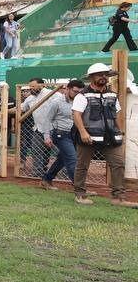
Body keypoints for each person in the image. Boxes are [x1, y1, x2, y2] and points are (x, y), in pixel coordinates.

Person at [71, 62, 137, 208]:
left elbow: (117, 115)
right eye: (100, 74)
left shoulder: (112, 95)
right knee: (82, 166)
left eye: (105, 74)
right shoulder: (83, 95)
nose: (103, 77)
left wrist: (120, 131)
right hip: (88, 136)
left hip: (111, 136)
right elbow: (76, 115)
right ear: (92, 77)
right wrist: (83, 132)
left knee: (118, 164)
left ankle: (118, 198)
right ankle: (80, 194)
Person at [40, 79, 83, 190]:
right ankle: (80, 188)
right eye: (75, 91)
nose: (77, 94)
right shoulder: (57, 102)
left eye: (79, 92)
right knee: (72, 158)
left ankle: (46, 179)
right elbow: (47, 119)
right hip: (60, 134)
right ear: (67, 89)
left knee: (62, 159)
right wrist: (47, 136)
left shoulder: (80, 102)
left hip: (74, 134)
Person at [19, 77, 54, 178]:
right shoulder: (30, 98)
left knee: (53, 151)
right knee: (36, 150)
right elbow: (21, 108)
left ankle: (63, 173)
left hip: (52, 128)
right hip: (38, 128)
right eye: (30, 86)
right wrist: (3, 110)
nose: (31, 88)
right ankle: (38, 172)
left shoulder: (51, 94)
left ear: (42, 85)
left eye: (33, 86)